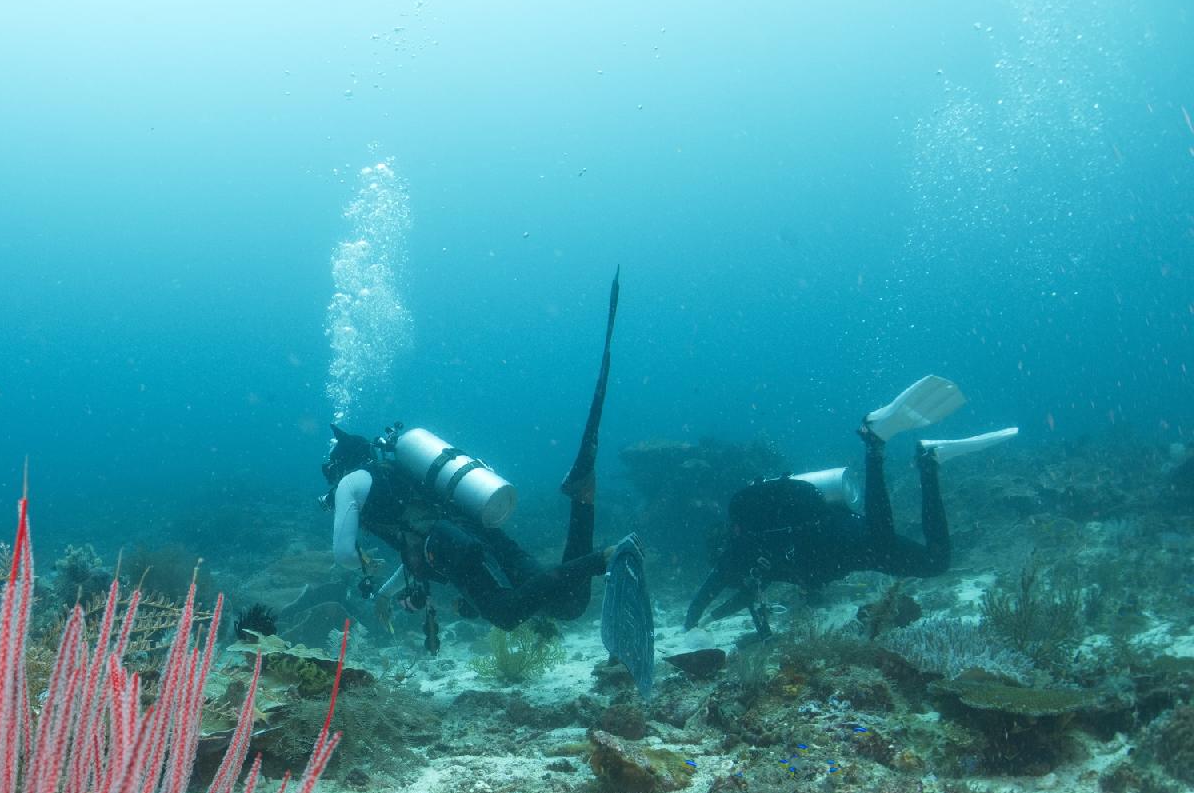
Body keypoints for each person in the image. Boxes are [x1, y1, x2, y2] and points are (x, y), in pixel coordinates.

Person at [322, 270, 628, 634]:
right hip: (476, 530)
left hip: (455, 546)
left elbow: (344, 553)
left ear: (339, 466)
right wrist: (389, 594)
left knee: (506, 613)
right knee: (567, 603)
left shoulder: (350, 484)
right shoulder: (395, 474)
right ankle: (582, 497)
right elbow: (412, 543)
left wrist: (361, 565)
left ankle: (605, 558)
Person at [684, 376, 1016, 635]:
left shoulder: (737, 557)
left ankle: (874, 441)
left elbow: (706, 594)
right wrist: (710, 621)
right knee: (935, 562)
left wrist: (691, 626)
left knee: (880, 536)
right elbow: (744, 600)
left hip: (839, 539)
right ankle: (929, 461)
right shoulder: (754, 563)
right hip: (849, 547)